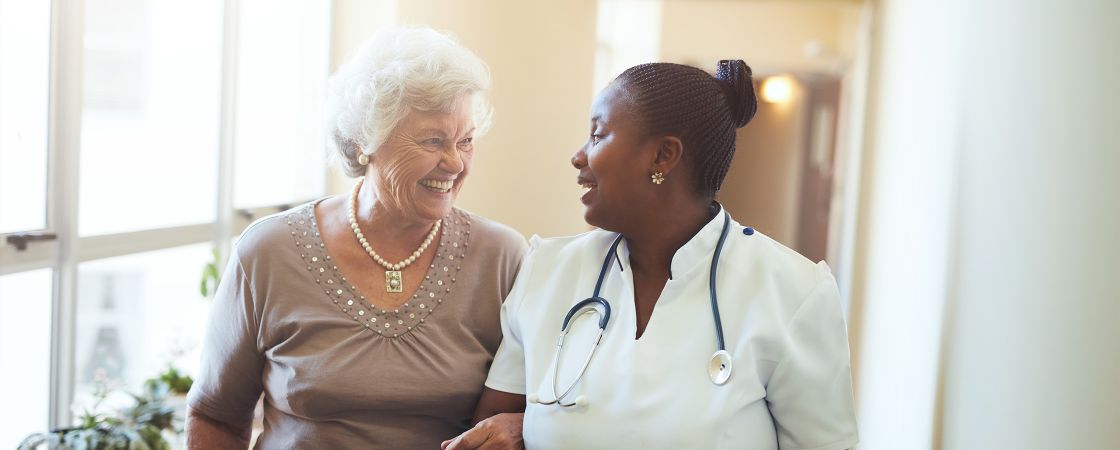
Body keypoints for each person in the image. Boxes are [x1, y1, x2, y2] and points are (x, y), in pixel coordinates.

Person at [446, 60, 858, 449]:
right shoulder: (547, 271)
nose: (578, 156)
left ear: (663, 155)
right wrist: (522, 427)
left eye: (597, 134)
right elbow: (491, 430)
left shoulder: (794, 293)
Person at [185, 27, 527, 449]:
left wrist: (520, 426)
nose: (455, 163)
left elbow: (542, 403)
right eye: (433, 141)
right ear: (366, 140)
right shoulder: (269, 252)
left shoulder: (503, 257)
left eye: (466, 141)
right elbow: (213, 416)